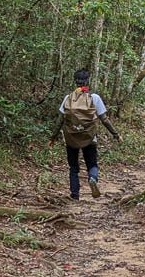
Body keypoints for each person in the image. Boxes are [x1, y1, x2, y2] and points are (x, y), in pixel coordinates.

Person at [49, 68, 120, 199]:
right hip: (89, 137)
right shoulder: (95, 98)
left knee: (73, 167)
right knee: (92, 164)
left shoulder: (68, 98)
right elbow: (104, 119)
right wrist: (116, 134)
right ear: (88, 81)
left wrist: (52, 137)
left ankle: (74, 195)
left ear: (75, 82)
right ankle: (92, 178)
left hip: (71, 137)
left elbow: (60, 120)